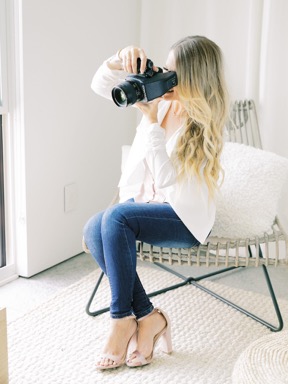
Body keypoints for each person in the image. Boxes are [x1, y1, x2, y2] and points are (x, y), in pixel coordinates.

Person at [83, 35, 229, 370]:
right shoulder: (161, 99)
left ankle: (121, 320)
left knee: (117, 218)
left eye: (174, 73)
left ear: (196, 77)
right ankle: (148, 316)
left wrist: (151, 124)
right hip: (145, 205)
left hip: (184, 218)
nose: (165, 78)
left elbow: (168, 182)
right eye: (165, 68)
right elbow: (100, 86)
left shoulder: (204, 124)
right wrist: (121, 59)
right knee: (94, 228)